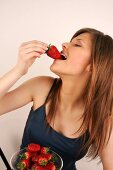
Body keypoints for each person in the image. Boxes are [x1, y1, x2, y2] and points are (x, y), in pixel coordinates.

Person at [0, 28, 113, 170]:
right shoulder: (41, 86)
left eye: (77, 44)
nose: (64, 44)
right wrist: (19, 70)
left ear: (94, 66)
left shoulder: (103, 116)